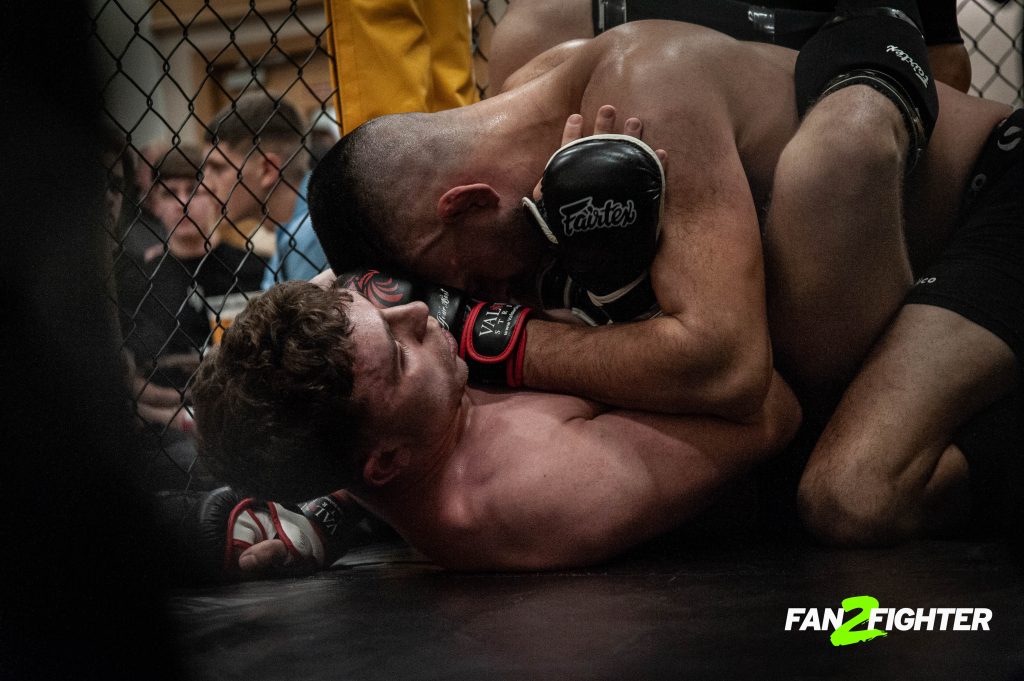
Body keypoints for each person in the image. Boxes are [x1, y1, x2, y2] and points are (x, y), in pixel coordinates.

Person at [308, 19, 1021, 546]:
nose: (484, 297)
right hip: (904, 284)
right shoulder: (535, 148)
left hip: (994, 205)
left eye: (463, 277)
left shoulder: (642, 88)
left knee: (855, 493)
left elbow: (730, 372)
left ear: (464, 203)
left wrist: (503, 338)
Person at [191, 274, 801, 571]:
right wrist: (623, 285)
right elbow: (772, 407)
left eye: (383, 310)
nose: (418, 313)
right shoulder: (533, 487)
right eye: (401, 355)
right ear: (383, 462)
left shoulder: (400, 422)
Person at [488, 0, 971, 96]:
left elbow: (945, 62)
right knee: (534, 26)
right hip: (653, 19)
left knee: (852, 138)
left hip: (811, 41)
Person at [117, 143, 264, 392]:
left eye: (194, 191)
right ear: (154, 204)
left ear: (216, 197)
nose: (182, 202)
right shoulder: (139, 280)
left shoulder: (253, 269)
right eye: (170, 193)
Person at [202, 93, 327, 287]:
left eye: (218, 168)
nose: (205, 185)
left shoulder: (311, 232)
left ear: (267, 170)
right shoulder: (291, 230)